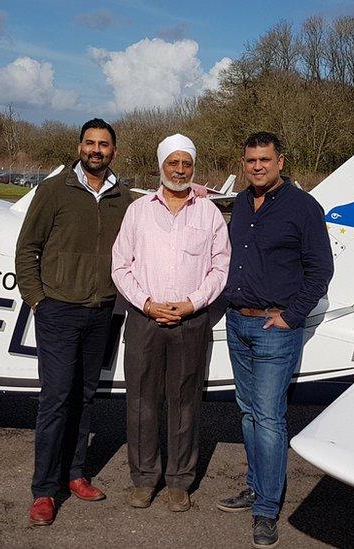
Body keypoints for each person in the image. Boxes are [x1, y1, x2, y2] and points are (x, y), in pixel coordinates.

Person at [216, 132, 334, 548]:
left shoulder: (303, 207)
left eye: (264, 159)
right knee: (248, 412)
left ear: (280, 161)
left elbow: (320, 270)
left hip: (273, 329)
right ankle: (254, 488)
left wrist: (290, 316)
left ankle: (267, 510)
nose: (257, 167)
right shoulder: (243, 203)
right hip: (238, 323)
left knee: (268, 418)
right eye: (250, 160)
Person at [15, 118, 134, 526]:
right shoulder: (53, 190)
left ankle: (75, 474)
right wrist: (38, 301)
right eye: (89, 143)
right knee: (55, 400)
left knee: (85, 397)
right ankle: (44, 491)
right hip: (59, 312)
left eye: (103, 145)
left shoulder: (125, 198)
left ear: (113, 151)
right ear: (79, 146)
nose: (96, 150)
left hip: (101, 311)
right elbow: (27, 248)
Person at [111, 134, 230, 512]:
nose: (180, 170)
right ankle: (145, 478)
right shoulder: (138, 211)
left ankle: (179, 481)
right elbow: (120, 265)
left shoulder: (209, 213)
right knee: (142, 401)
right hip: (145, 320)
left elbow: (219, 267)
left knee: (184, 403)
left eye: (186, 163)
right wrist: (146, 304)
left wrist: (192, 303)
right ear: (161, 166)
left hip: (189, 322)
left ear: (194, 167)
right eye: (172, 163)